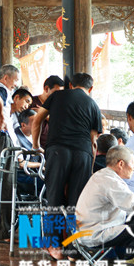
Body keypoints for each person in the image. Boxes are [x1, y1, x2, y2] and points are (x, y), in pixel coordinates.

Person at [32, 73, 102, 209]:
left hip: (58, 152)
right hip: (82, 153)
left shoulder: (56, 96)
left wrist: (36, 145)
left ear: (70, 85)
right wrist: (90, 167)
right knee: (77, 202)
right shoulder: (94, 106)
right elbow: (93, 142)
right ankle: (73, 229)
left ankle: (52, 230)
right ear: (91, 88)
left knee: (54, 200)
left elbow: (37, 119)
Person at [0, 84, 33, 242]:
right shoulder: (4, 111)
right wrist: (1, 119)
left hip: (4, 146)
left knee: (2, 188)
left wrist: (20, 158)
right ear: (16, 98)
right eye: (26, 101)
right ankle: (2, 233)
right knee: (4, 187)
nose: (26, 106)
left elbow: (15, 139)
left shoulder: (13, 118)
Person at [27, 75, 64, 148]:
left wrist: (43, 115)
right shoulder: (31, 102)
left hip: (54, 147)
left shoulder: (60, 105)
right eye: (57, 92)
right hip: (34, 147)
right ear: (46, 89)